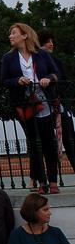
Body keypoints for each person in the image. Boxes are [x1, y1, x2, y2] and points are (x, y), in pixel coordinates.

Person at [0, 22, 60, 193]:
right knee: (34, 143)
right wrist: (17, 80)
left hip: (44, 102)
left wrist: (48, 79)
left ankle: (53, 181)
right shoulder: (8, 58)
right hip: (25, 105)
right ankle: (42, 181)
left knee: (48, 141)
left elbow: (55, 73)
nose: (10, 36)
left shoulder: (41, 55)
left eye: (14, 33)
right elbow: (4, 80)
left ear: (25, 35)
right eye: (10, 33)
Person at [38, 29, 75, 181]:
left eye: (52, 41)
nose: (51, 44)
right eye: (47, 41)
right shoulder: (36, 62)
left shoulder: (56, 61)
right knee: (46, 145)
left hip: (57, 105)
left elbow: (64, 82)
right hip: (43, 107)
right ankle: (46, 179)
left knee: (70, 140)